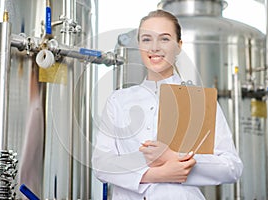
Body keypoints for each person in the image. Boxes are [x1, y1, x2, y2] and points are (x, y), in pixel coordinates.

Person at [92, 9, 243, 200]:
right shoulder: (118, 100)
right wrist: (157, 175)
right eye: (146, 39)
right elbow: (102, 164)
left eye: (164, 39)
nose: (154, 47)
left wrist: (174, 157)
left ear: (179, 46)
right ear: (139, 45)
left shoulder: (199, 100)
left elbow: (232, 167)